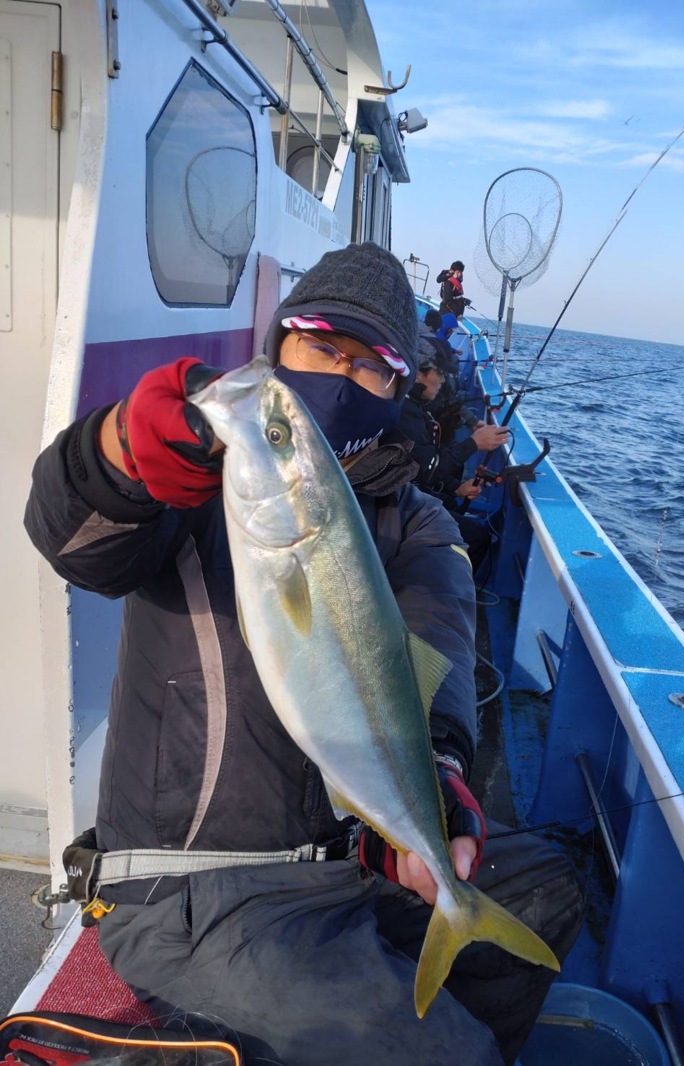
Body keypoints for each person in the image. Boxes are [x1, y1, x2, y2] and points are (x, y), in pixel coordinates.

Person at [25, 242, 581, 1066]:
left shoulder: (418, 523)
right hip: (191, 891)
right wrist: (118, 452)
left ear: (399, 389)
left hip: (347, 865)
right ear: (280, 344)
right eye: (321, 343)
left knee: (550, 887)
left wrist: (444, 787)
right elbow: (73, 534)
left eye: (373, 364)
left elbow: (438, 658)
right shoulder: (199, 483)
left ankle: (386, 1005)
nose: (340, 376)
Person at [398, 351, 510, 573]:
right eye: (438, 373)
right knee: (477, 537)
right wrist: (474, 444)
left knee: (452, 507)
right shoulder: (405, 412)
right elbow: (426, 469)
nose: (442, 380)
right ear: (418, 375)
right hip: (399, 506)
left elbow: (419, 470)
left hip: (409, 493)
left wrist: (456, 489)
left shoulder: (413, 406)